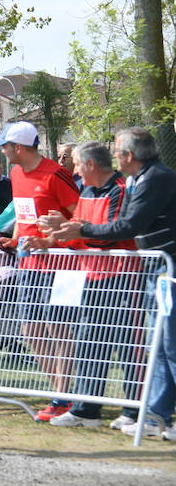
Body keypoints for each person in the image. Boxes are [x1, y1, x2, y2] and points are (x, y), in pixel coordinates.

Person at [50, 128, 176, 439]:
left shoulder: (155, 178)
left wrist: (79, 231)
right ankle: (155, 415)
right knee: (158, 346)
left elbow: (127, 226)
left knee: (161, 346)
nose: (114, 157)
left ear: (129, 155)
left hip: (151, 272)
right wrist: (66, 232)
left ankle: (144, 411)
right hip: (150, 270)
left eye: (117, 151)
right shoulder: (138, 179)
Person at [32, 142, 139, 430]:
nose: (76, 171)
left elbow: (111, 234)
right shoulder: (88, 191)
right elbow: (78, 230)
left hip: (122, 278)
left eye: (78, 165)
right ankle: (85, 410)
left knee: (127, 346)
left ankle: (133, 411)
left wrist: (73, 230)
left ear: (91, 165)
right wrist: (53, 235)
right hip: (91, 277)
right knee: (89, 344)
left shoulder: (121, 189)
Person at [0, 121, 80, 422]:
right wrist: (15, 239)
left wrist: (48, 241)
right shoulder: (17, 173)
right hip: (28, 264)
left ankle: (63, 398)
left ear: (18, 148)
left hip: (61, 264)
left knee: (59, 330)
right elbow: (23, 213)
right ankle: (61, 395)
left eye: (5, 146)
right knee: (31, 329)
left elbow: (79, 217)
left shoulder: (56, 174)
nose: (2, 151)